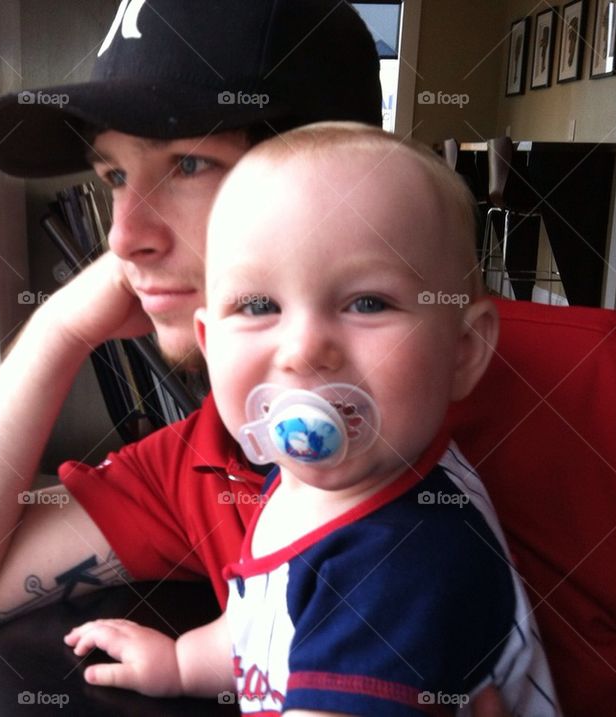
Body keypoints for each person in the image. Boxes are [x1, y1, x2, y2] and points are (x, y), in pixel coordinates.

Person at [0, 1, 616, 714]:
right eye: (113, 176)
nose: (123, 239)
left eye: (188, 163)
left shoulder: (602, 383)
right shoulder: (210, 456)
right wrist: (56, 333)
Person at [64, 123, 561, 715]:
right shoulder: (304, 483)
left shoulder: (402, 559)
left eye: (367, 303)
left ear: (462, 350)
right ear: (209, 340)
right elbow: (266, 622)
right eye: (257, 305)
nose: (303, 349)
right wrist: (178, 664)